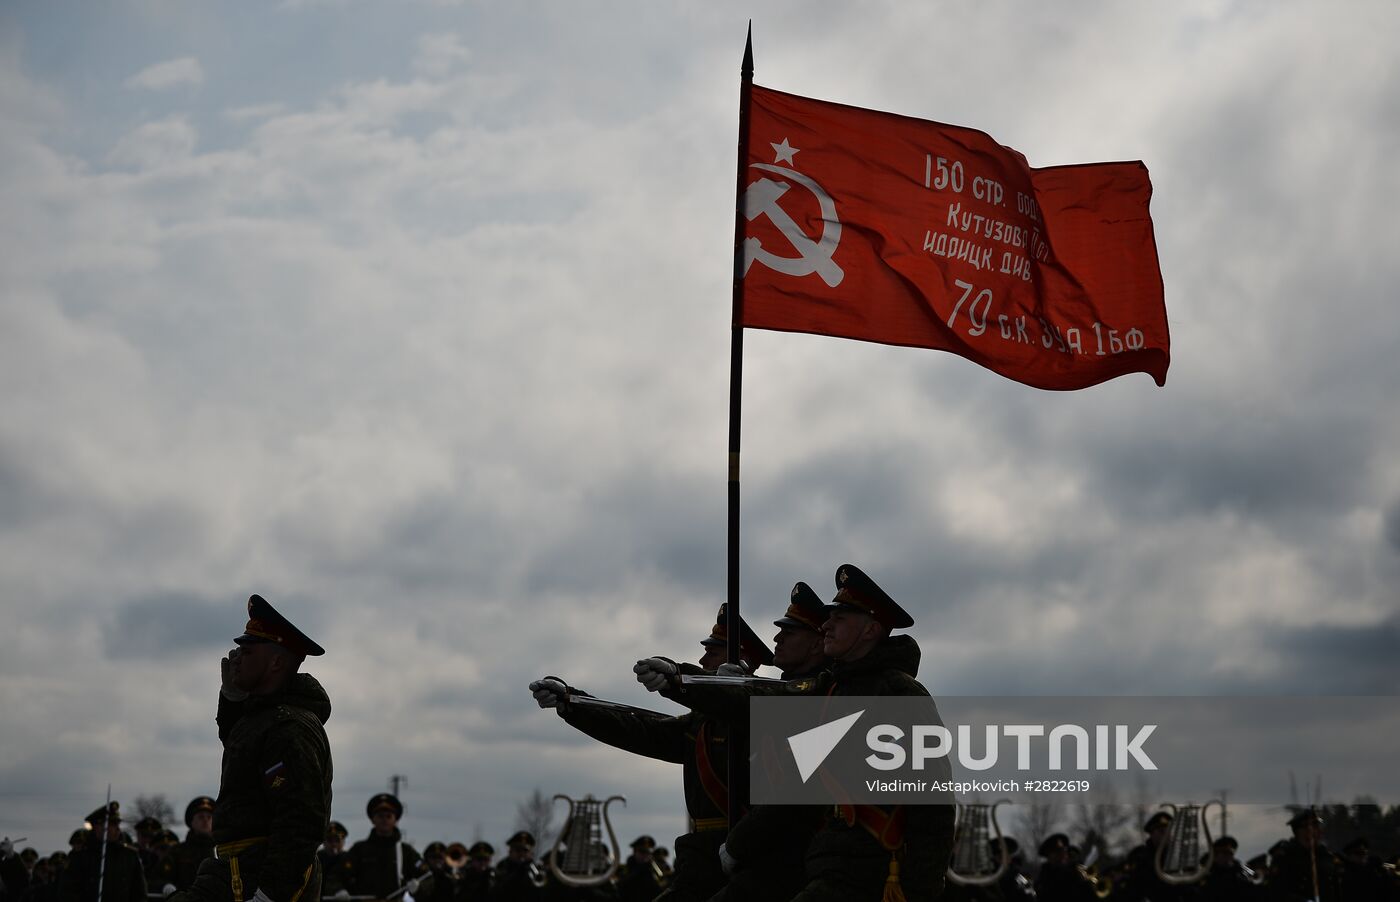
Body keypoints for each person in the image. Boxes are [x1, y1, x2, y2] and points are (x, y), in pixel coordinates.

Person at [529, 605, 773, 902]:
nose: (702, 660)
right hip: (702, 857)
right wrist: (573, 703)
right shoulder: (702, 724)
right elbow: (640, 730)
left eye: (712, 653)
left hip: (744, 856)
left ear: (741, 662)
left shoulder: (766, 715)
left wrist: (710, 687)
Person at [638, 581, 831, 902]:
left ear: (817, 643)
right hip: (758, 854)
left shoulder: (819, 696)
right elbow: (650, 733)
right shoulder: (784, 695)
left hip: (787, 856)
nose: (777, 638)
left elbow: (792, 796)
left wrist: (688, 680)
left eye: (790, 632)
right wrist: (573, 704)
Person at [778, 565, 956, 902]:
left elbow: (933, 804)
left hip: (871, 873)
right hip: (830, 863)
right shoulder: (834, 691)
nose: (826, 625)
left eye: (840, 617)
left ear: (871, 630)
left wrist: (919, 891)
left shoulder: (899, 694)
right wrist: (689, 683)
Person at [169, 594, 333, 902]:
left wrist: (268, 895)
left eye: (247, 651)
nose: (236, 658)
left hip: (255, 876)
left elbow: (300, 822)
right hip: (236, 870)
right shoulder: (264, 717)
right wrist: (232, 698)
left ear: (276, 662)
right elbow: (241, 750)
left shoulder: (288, 727)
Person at [57, 803, 147, 902]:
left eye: (117, 824)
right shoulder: (81, 856)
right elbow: (68, 892)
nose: (118, 829)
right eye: (112, 824)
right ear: (98, 826)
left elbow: (139, 893)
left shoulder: (129, 855)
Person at [346, 794, 423, 899]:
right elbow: (339, 876)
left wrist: (418, 887)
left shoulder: (405, 851)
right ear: (373, 819)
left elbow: (426, 877)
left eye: (388, 816)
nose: (384, 820)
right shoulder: (359, 850)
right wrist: (340, 890)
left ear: (395, 820)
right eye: (380, 816)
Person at [1267, 809, 1342, 902]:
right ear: (1297, 832)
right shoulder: (1285, 857)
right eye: (1307, 828)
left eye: (1316, 827)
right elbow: (1277, 893)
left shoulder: (1326, 856)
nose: (1313, 832)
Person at [1032, 834, 1095, 902]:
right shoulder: (1044, 879)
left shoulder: (1075, 870)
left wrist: (1087, 883)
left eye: (1063, 849)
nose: (1062, 853)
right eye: (1057, 851)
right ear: (1049, 856)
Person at [172, 797, 216, 892]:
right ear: (191, 822)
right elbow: (157, 879)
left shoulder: (221, 851)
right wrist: (166, 886)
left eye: (209, 817)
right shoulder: (177, 851)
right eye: (201, 817)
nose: (205, 820)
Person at [1198, 835, 1260, 901]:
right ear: (1215, 855)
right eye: (1225, 853)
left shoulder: (1239, 868)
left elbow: (1254, 878)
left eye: (1231, 853)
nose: (1229, 857)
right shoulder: (1207, 872)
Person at [489, 831, 544, 902]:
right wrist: (518, 874)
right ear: (510, 851)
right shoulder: (502, 867)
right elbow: (497, 893)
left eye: (525, 850)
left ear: (531, 853)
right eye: (518, 850)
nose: (522, 854)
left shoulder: (534, 868)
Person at [615, 836, 661, 902]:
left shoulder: (652, 871)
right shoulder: (623, 870)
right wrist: (641, 869)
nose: (645, 855)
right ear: (634, 852)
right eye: (642, 852)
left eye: (648, 852)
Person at [316, 823, 351, 898]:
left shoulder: (350, 858)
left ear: (343, 841)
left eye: (337, 840)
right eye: (330, 840)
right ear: (324, 842)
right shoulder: (317, 859)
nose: (334, 844)